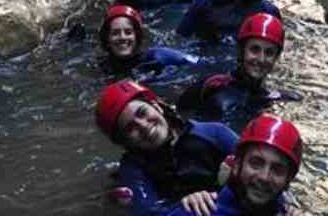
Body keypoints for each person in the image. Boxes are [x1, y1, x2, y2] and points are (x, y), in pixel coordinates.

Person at [96, 79, 239, 216]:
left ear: (157, 106)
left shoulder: (214, 133)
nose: (144, 126)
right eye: (130, 128)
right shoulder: (133, 168)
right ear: (125, 142)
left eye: (142, 113)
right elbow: (147, 212)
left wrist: (223, 188)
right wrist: (184, 204)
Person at [175, 14, 298, 132]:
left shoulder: (275, 99)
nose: (261, 59)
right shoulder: (212, 86)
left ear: (276, 58)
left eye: (269, 53)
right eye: (255, 49)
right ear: (241, 51)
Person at [186, 114, 304, 215]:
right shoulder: (197, 210)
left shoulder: (285, 209)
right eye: (256, 163)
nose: (264, 177)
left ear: (288, 180)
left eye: (277, 170)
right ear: (237, 165)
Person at [101, 4, 198, 80]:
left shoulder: (159, 56)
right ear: (107, 39)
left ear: (137, 37)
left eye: (128, 32)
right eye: (115, 33)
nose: (122, 37)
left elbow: (199, 63)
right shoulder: (103, 66)